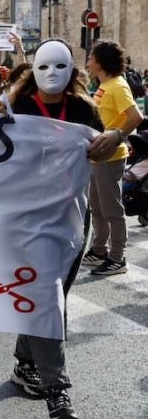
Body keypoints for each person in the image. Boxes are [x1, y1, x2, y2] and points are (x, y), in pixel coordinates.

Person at [0, 38, 121, 419]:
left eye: (58, 67)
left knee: (51, 295)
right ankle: (57, 390)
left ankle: (24, 362)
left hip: (71, 216)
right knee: (46, 297)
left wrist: (114, 137)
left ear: (71, 71)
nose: (51, 74)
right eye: (43, 67)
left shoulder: (84, 109)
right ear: (33, 69)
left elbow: (104, 146)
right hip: (28, 220)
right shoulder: (16, 107)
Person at [81, 40, 143, 275]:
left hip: (110, 157)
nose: (88, 62)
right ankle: (99, 251)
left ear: (101, 62)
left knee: (112, 210)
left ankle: (118, 257)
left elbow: (135, 116)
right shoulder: (104, 85)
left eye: (91, 58)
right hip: (97, 158)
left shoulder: (117, 86)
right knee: (97, 208)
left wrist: (117, 135)